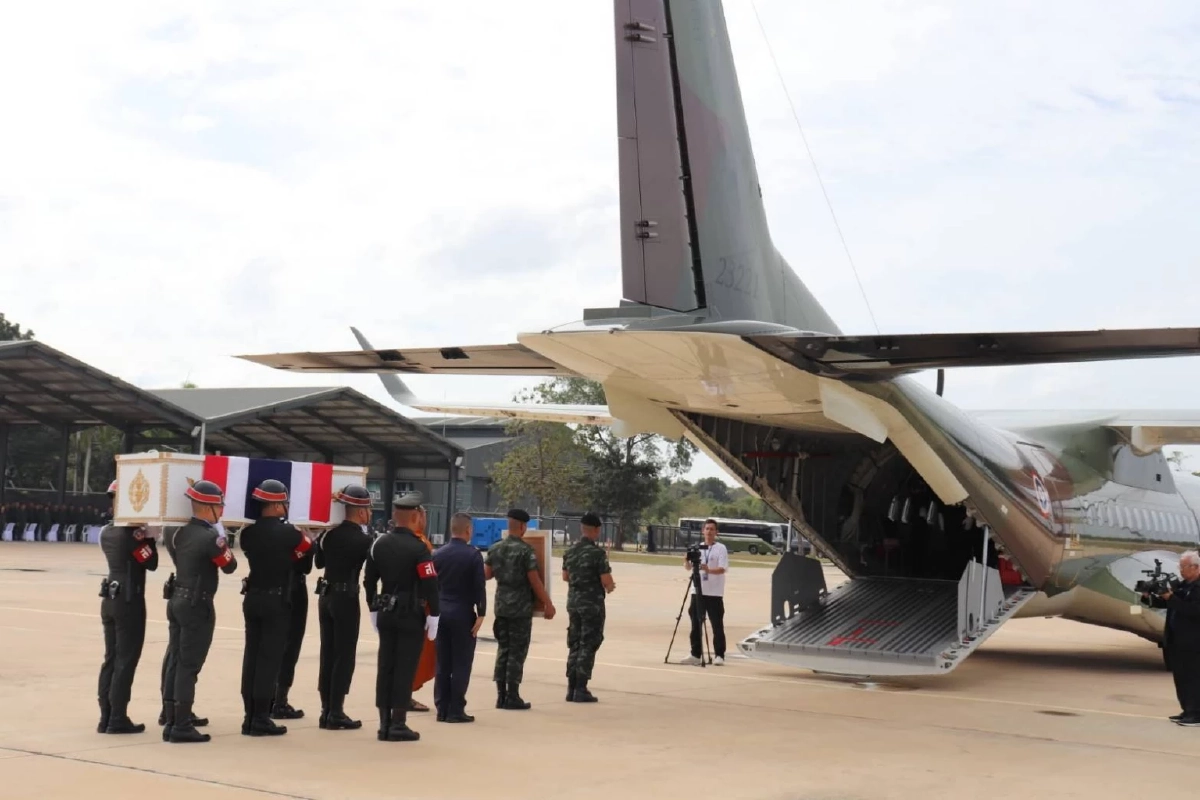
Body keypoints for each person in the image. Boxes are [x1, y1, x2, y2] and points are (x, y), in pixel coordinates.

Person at [161, 479, 238, 743]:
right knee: (189, 664)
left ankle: (172, 718)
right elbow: (230, 566)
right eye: (220, 507)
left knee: (175, 660)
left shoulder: (179, 533)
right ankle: (181, 725)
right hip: (197, 604)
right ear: (210, 508)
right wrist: (221, 537)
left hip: (177, 599)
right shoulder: (210, 539)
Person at [238, 479, 313, 737]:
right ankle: (260, 717)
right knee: (269, 659)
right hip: (277, 600)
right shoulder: (291, 534)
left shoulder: (247, 534)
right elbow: (304, 560)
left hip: (253, 597)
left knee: (251, 657)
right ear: (279, 504)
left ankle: (249, 716)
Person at [364, 491, 441, 742]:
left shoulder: (379, 544)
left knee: (386, 666)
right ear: (416, 516)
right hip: (410, 614)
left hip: (385, 612)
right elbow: (430, 584)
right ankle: (398, 723)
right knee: (404, 668)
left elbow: (369, 581)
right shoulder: (419, 548)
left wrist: (373, 608)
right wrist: (435, 615)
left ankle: (384, 723)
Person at [96, 479, 158, 734]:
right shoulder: (132, 534)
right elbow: (151, 562)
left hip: (110, 596)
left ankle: (106, 715)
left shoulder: (107, 531)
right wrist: (151, 537)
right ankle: (118, 717)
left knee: (111, 658)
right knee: (126, 659)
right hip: (129, 600)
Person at [315, 483, 374, 730]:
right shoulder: (364, 540)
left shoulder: (328, 535)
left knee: (327, 652)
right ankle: (337, 712)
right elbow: (371, 572)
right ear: (361, 512)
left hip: (325, 596)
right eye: (368, 510)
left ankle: (325, 709)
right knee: (344, 654)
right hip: (346, 598)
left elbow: (318, 562)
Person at [485, 508, 555, 710]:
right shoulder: (525, 551)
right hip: (520, 609)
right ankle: (513, 695)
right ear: (523, 526)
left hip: (501, 606)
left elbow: (487, 574)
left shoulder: (495, 548)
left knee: (503, 649)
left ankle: (500, 695)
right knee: (517, 652)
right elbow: (535, 581)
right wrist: (547, 603)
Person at [432, 512, 487, 722]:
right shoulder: (473, 555)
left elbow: (432, 585)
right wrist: (481, 613)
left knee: (443, 663)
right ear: (468, 530)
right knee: (461, 663)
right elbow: (478, 587)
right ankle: (456, 709)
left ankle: (441, 707)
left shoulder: (438, 554)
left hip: (441, 612)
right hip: (463, 613)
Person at [562, 512, 614, 702]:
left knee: (574, 643)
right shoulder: (597, 554)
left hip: (573, 603)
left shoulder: (570, 551)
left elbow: (565, 576)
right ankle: (581, 688)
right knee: (588, 643)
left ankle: (571, 687)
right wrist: (610, 586)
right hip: (591, 605)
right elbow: (606, 580)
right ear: (597, 530)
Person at [1145, 550, 1200, 725]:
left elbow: (1193, 610)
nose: (1180, 570)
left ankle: (1197, 714)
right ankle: (1187, 710)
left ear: (1195, 567)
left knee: (1194, 678)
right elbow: (1169, 602)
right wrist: (1149, 597)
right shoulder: (1183, 585)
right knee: (1181, 678)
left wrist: (1170, 597)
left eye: (1183, 567)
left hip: (1194, 642)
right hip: (1177, 640)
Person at [272, 510, 316, 722]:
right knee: (291, 647)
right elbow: (306, 567)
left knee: (272, 647)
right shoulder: (297, 535)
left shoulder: (269, 531)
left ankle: (269, 698)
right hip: (295, 590)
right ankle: (280, 700)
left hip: (273, 588)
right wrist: (310, 543)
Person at [680, 518, 728, 666]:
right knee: (695, 623)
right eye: (707, 529)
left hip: (714, 593)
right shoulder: (697, 547)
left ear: (716, 532)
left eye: (712, 529)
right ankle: (695, 653)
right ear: (703, 531)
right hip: (698, 591)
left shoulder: (721, 548)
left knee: (716, 624)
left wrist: (708, 570)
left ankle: (719, 654)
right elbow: (688, 567)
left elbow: (722, 569)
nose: (709, 532)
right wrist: (686, 560)